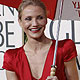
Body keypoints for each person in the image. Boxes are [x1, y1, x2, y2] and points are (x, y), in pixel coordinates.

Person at [2, 0, 79, 80]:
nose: (35, 24)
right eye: (28, 19)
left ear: (46, 19)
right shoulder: (12, 57)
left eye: (40, 18)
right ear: (20, 22)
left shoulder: (64, 48)